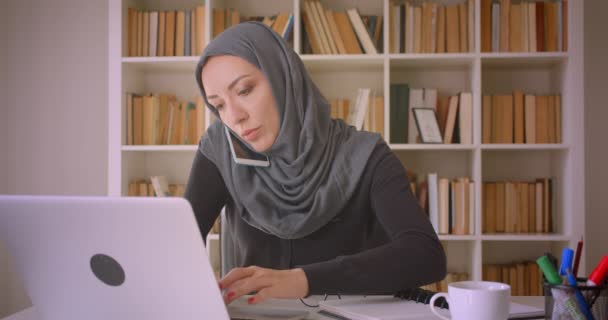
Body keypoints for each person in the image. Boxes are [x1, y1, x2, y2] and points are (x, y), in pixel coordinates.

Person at [185, 21, 446, 306]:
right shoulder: (221, 149)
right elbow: (178, 248)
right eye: (218, 105)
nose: (234, 116)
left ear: (284, 77)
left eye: (245, 90)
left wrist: (302, 280)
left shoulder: (366, 155)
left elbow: (425, 254)